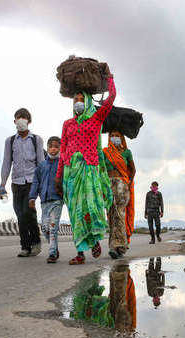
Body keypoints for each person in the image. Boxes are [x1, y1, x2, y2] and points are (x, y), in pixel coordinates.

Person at [55, 66, 116, 265]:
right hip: (70, 174)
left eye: (81, 100)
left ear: (88, 102)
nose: (78, 103)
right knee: (75, 213)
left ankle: (96, 240)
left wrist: (109, 77)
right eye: (75, 100)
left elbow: (111, 98)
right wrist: (59, 175)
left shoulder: (96, 119)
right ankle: (80, 253)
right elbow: (63, 150)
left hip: (89, 170)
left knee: (91, 208)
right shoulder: (67, 124)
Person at [0, 108, 44, 257]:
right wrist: (2, 184)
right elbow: (6, 163)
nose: (21, 120)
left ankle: (36, 241)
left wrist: (42, 185)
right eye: (18, 117)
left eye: (24, 118)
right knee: (20, 215)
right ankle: (25, 246)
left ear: (29, 121)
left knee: (28, 212)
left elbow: (41, 163)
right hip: (16, 183)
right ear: (14, 121)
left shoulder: (36, 139)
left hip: (32, 181)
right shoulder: (10, 141)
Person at [29, 136, 63, 264]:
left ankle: (52, 253)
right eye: (50, 146)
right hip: (44, 202)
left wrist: (63, 192)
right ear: (47, 148)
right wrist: (32, 197)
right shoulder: (41, 166)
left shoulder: (62, 164)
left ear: (60, 148)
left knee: (53, 227)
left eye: (56, 146)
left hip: (57, 200)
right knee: (45, 228)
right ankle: (55, 248)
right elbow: (35, 182)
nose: (53, 149)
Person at [103, 131, 135, 259]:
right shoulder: (104, 152)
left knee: (119, 214)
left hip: (122, 185)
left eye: (117, 135)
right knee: (111, 215)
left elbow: (133, 169)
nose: (114, 138)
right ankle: (119, 247)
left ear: (122, 138)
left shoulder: (127, 152)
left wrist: (128, 182)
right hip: (108, 185)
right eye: (112, 135)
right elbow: (101, 168)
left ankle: (116, 246)